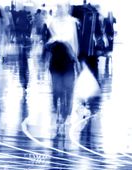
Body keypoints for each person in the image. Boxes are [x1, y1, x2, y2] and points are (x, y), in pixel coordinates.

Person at [46, 4, 79, 134]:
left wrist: (75, 58)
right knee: (57, 89)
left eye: (63, 7)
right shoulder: (51, 23)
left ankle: (66, 114)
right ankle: (59, 113)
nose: (60, 10)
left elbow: (74, 41)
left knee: (68, 89)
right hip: (57, 60)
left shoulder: (72, 23)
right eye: (58, 7)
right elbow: (48, 43)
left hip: (67, 60)